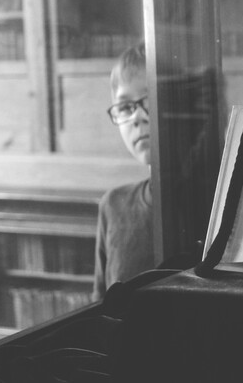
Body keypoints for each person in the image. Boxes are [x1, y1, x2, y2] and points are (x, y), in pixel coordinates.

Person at [92, 42, 155, 301]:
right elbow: (99, 306)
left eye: (150, 100)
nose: (137, 117)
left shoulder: (214, 202)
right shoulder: (113, 205)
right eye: (126, 107)